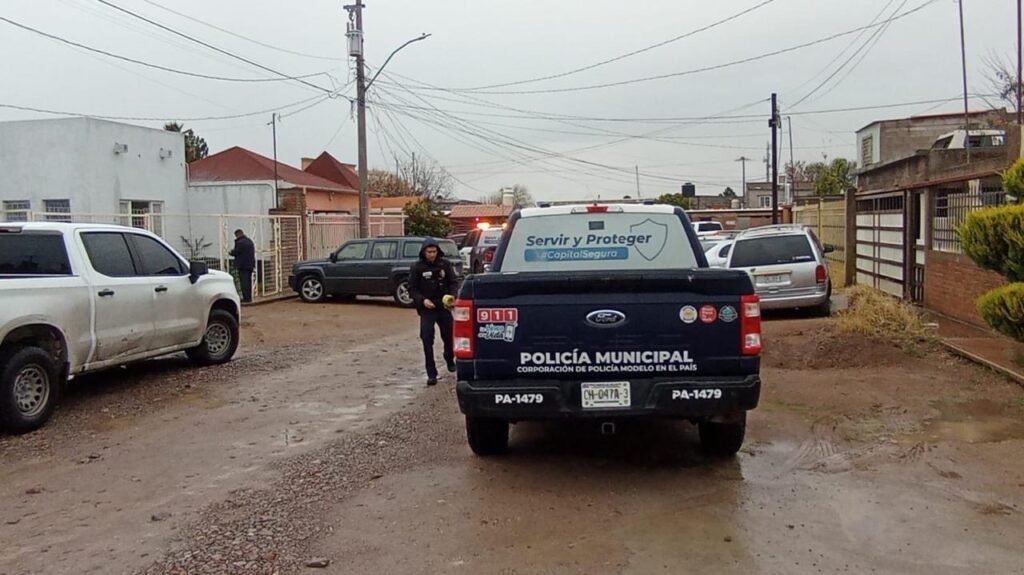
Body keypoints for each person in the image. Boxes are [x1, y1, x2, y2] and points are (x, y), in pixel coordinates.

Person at [408, 238, 458, 386]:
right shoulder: (417, 267)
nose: (432, 254)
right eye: (429, 252)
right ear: (424, 252)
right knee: (427, 339)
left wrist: (453, 296)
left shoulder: (445, 264)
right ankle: (431, 373)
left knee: (449, 336)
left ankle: (449, 358)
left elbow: (454, 282)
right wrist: (422, 300)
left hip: (443, 306)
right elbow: (412, 289)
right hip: (427, 308)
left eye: (434, 251)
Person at [229, 229, 256, 303]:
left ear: (237, 235)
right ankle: (249, 297)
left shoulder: (240, 243)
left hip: (242, 265)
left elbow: (236, 252)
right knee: (248, 282)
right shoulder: (249, 241)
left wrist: (231, 252)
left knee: (244, 282)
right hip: (250, 264)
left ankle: (246, 298)